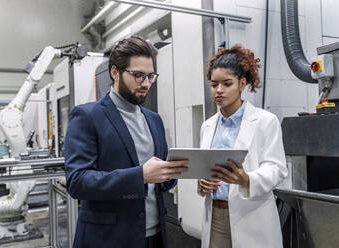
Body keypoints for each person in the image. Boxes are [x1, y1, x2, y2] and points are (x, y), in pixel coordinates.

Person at [65, 35, 188, 248]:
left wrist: (170, 174)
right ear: (115, 72)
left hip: (155, 235)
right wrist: (140, 175)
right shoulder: (87, 116)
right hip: (110, 238)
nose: (146, 83)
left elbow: (159, 178)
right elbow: (77, 182)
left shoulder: (154, 119)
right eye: (138, 75)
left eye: (151, 76)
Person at [197, 45, 288, 248]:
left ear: (242, 83)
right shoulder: (208, 126)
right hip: (215, 217)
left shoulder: (266, 121)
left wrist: (247, 179)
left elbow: (277, 168)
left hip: (252, 216)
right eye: (214, 85)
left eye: (227, 84)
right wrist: (202, 184)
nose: (219, 90)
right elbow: (206, 167)